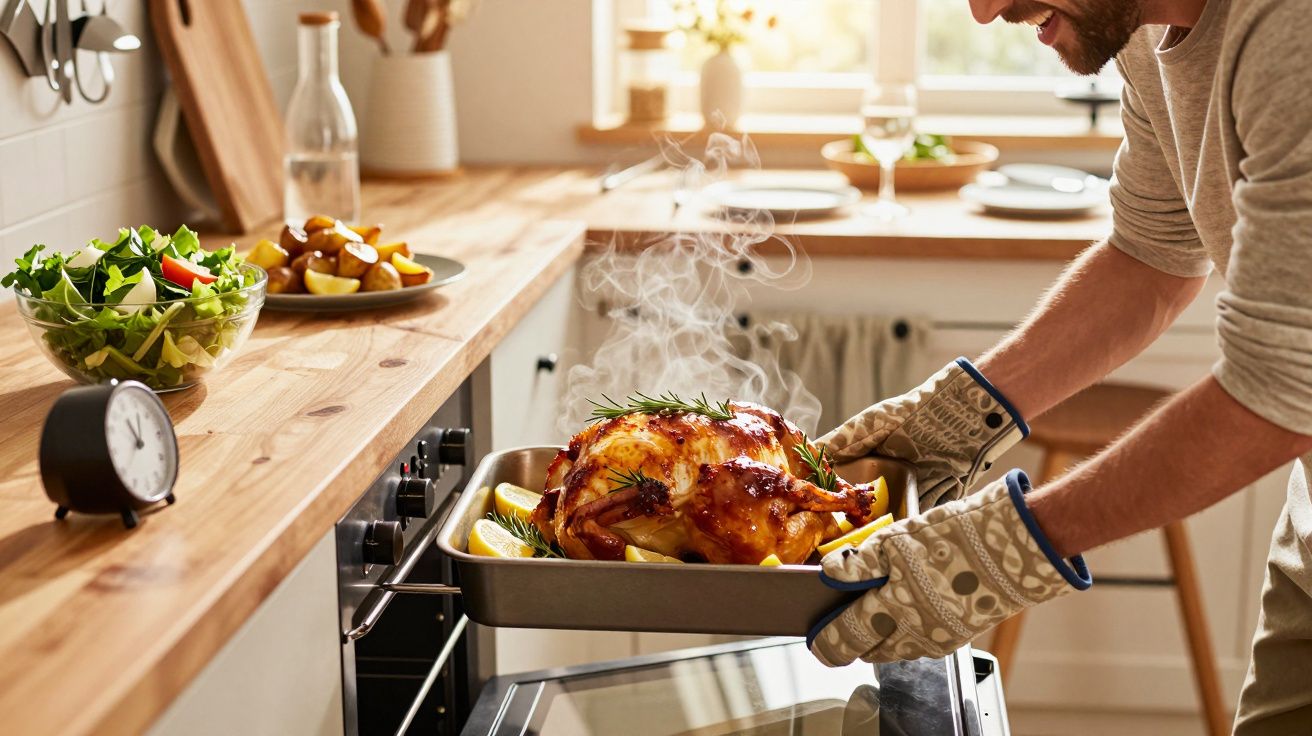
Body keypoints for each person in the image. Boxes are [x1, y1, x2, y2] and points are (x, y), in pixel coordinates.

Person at [806, 0, 1312, 732]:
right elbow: (1152, 257)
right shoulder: (1144, 30)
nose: (985, 12)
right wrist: (960, 414)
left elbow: (1284, 388)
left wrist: (1003, 545)